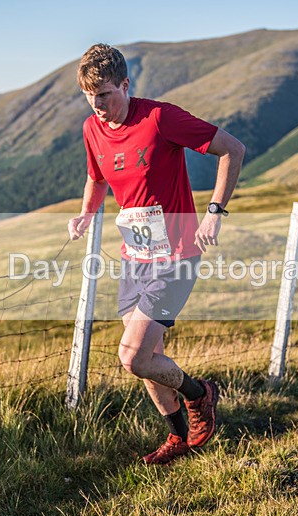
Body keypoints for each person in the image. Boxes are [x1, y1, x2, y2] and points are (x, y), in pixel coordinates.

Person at [67, 44, 245, 465]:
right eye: (90, 98)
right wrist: (85, 214)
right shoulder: (92, 128)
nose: (99, 106)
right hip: (134, 256)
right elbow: (97, 177)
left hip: (177, 255)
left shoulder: (159, 118)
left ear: (126, 85)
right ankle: (180, 439)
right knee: (149, 356)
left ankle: (200, 396)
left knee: (133, 356)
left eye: (106, 95)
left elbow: (232, 149)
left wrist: (214, 212)